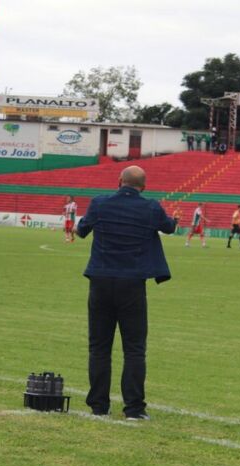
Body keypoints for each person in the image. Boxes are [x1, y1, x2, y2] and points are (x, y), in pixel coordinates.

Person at [76, 165, 179, 420]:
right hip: (132, 284)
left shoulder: (99, 204)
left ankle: (99, 406)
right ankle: (134, 408)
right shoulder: (150, 207)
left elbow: (81, 230)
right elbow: (168, 228)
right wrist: (174, 220)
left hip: (100, 280)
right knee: (134, 348)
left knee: (99, 347)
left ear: (119, 181)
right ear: (143, 186)